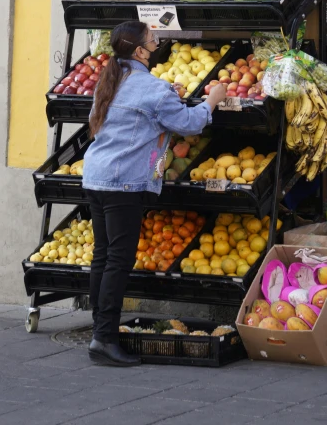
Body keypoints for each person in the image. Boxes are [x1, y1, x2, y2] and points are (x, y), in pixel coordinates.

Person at [82, 21, 227, 366]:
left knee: (103, 255)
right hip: (124, 184)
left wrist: (168, 98)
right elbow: (190, 124)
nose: (158, 42)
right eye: (153, 39)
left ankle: (98, 328)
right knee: (118, 260)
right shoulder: (151, 88)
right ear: (140, 51)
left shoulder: (112, 80)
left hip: (96, 177)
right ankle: (104, 339)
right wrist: (213, 102)